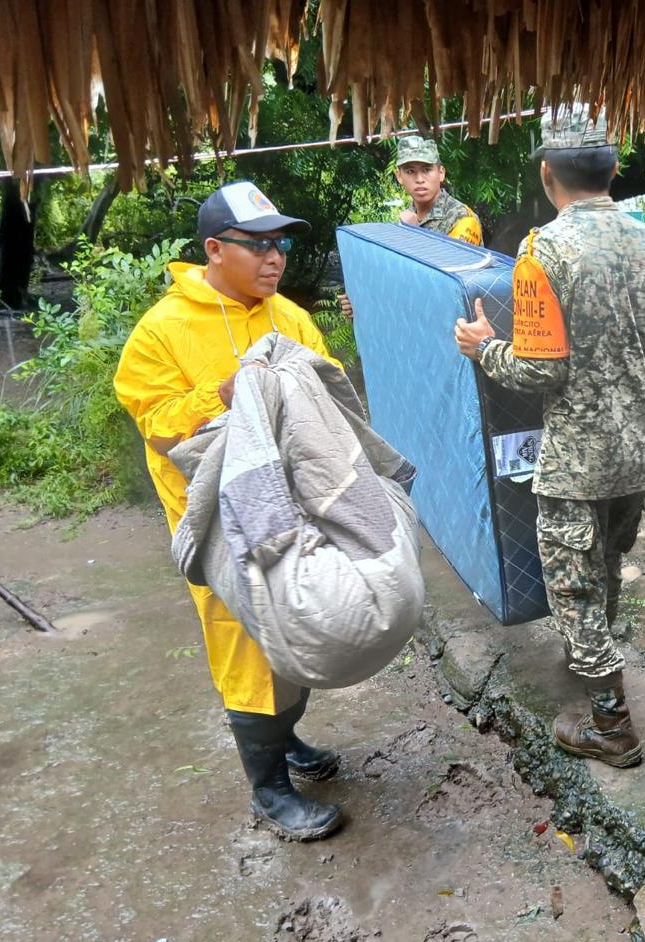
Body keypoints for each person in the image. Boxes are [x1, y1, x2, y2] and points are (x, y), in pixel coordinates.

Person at [114, 182, 345, 840]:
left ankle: (287, 738)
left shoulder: (287, 315)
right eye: (259, 245)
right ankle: (270, 792)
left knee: (298, 624)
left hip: (296, 509)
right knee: (246, 643)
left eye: (282, 243)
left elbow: (324, 380)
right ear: (215, 250)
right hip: (220, 526)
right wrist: (218, 397)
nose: (276, 258)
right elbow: (159, 428)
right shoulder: (161, 331)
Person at [453, 106, 645, 768]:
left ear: (548, 174)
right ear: (612, 171)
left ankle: (611, 726)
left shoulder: (539, 251)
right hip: (641, 448)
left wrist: (483, 347)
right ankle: (599, 661)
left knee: (574, 588)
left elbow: (539, 370)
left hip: (579, 459)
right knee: (605, 565)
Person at [339, 135, 483, 318]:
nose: (419, 179)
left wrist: (415, 237)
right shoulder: (406, 219)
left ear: (441, 173)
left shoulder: (463, 219)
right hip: (418, 322)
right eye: (410, 171)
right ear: (399, 176)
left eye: (427, 170)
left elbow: (450, 284)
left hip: (458, 326)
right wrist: (361, 301)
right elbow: (398, 280)